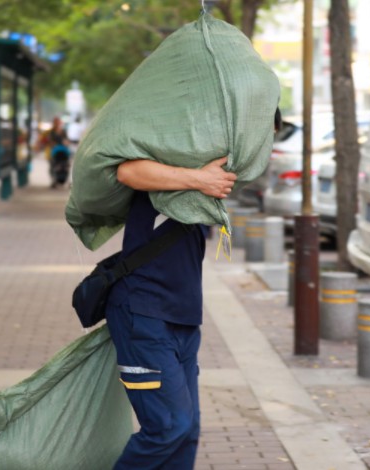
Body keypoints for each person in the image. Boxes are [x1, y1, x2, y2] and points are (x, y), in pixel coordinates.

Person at [105, 108, 282, 469]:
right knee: (168, 429)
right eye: (261, 137)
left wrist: (205, 181)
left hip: (182, 318)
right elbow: (128, 171)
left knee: (186, 433)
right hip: (145, 315)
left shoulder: (212, 172)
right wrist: (199, 180)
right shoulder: (180, 161)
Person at [36, 117, 70, 188]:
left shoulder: (63, 131)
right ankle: (54, 179)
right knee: (52, 165)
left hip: (63, 150)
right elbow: (47, 140)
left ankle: (63, 178)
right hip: (53, 150)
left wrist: (66, 143)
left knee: (65, 164)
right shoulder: (50, 132)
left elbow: (67, 140)